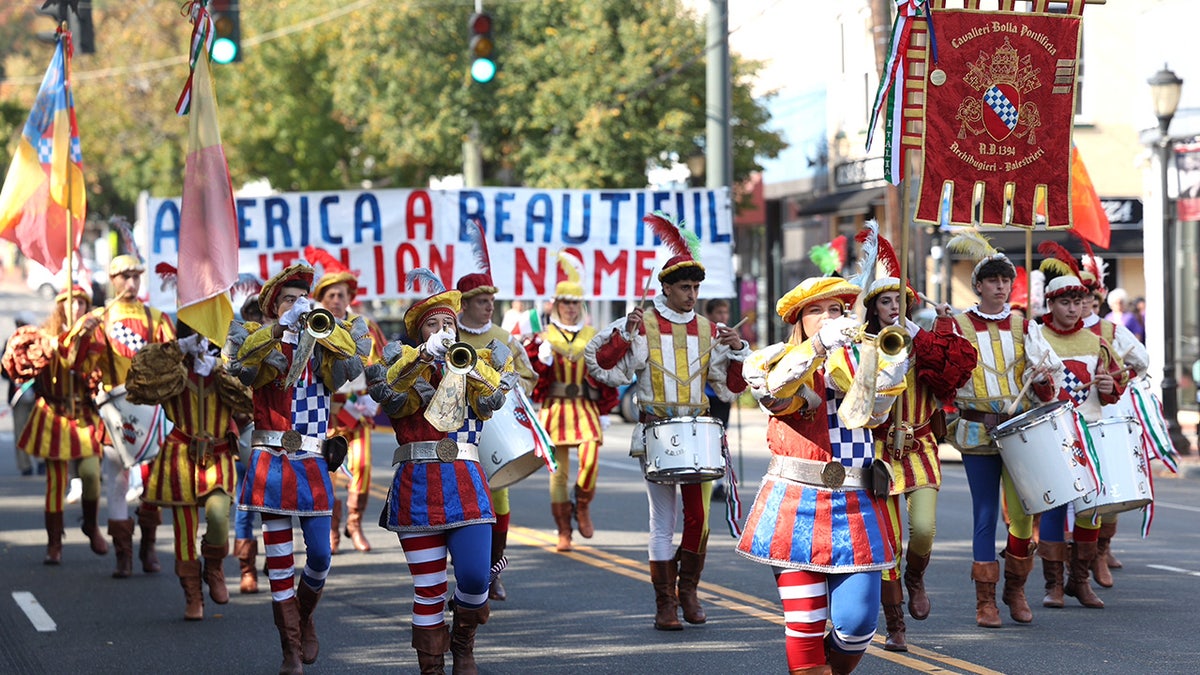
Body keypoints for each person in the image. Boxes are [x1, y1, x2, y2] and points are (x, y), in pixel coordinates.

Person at [587, 212, 750, 631]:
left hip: (697, 433)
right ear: (666, 288)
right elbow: (605, 370)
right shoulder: (644, 323)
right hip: (656, 433)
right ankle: (665, 604)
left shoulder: (709, 328)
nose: (692, 294)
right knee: (663, 520)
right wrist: (624, 335)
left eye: (696, 287)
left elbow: (730, 388)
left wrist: (735, 350)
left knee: (700, 519)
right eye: (685, 287)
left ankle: (688, 590)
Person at [737, 275, 907, 674]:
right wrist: (818, 346)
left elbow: (877, 413)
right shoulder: (769, 359)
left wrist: (885, 369)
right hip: (796, 503)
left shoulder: (862, 359)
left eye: (836, 310)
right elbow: (775, 394)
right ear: (799, 320)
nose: (829, 318)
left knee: (858, 625)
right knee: (805, 624)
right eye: (817, 311)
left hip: (856, 504)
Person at [366, 268, 516, 675]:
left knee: (473, 578)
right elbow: (391, 397)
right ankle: (431, 668)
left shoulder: (472, 364)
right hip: (418, 488)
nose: (443, 329)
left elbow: (495, 398)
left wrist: (463, 365)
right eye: (433, 324)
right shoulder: (400, 364)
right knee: (428, 591)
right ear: (419, 334)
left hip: (466, 484)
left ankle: (463, 644)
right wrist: (421, 357)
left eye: (448, 323)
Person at [225, 263, 368, 673]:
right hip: (272, 461)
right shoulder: (255, 338)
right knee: (282, 562)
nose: (298, 305)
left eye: (302, 299)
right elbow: (241, 368)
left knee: (321, 556)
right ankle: (290, 648)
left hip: (312, 462)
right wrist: (278, 330)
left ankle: (303, 617)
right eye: (289, 299)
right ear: (273, 307)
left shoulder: (324, 342)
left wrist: (322, 326)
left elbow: (352, 369)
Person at [938, 230, 1061, 628]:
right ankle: (985, 602)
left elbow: (1046, 387)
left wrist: (1042, 379)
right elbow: (942, 379)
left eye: (1006, 280)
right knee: (985, 515)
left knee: (1024, 516)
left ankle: (1015, 589)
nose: (1001, 286)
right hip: (977, 432)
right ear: (977, 286)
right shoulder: (957, 325)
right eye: (993, 280)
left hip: (1020, 432)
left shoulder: (1027, 326)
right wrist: (940, 335)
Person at [861, 235, 977, 652]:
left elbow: (956, 373)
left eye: (900, 301)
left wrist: (932, 332)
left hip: (922, 446)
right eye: (886, 302)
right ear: (874, 309)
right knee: (888, 543)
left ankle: (916, 577)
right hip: (878, 454)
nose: (894, 308)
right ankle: (896, 628)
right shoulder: (862, 346)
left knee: (924, 530)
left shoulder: (924, 339)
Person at [126, 326, 252, 620]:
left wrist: (223, 366)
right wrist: (178, 349)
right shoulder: (172, 368)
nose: (202, 338)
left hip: (219, 454)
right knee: (184, 533)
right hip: (180, 456)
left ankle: (215, 566)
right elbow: (138, 379)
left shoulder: (228, 365)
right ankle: (192, 594)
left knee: (219, 516)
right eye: (196, 332)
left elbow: (251, 400)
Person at [1034, 246, 1128, 610]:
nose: (1074, 308)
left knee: (1090, 507)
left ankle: (1080, 581)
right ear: (1050, 303)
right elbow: (1031, 390)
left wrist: (1109, 388)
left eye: (1079, 301)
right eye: (1066, 302)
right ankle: (1054, 585)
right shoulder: (1036, 336)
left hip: (1090, 433)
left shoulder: (1096, 342)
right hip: (1051, 436)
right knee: (1055, 510)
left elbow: (1114, 385)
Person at [77, 255, 176, 578]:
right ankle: (123, 555)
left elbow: (173, 366)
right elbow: (81, 370)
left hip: (151, 415)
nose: (131, 283)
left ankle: (147, 547)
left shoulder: (158, 319)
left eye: (135, 276)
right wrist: (81, 338)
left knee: (152, 485)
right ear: (112, 279)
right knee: (117, 484)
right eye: (124, 277)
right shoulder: (98, 319)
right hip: (114, 417)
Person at [455, 229, 539, 601]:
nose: (489, 306)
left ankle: (493, 569)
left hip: (494, 429)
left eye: (491, 300)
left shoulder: (505, 336)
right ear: (465, 304)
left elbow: (528, 376)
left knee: (497, 500)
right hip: (455, 430)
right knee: (457, 500)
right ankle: (463, 569)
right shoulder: (449, 332)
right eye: (482, 301)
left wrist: (506, 388)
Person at [2, 286, 107, 564]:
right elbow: (18, 366)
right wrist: (50, 347)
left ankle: (91, 524)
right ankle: (54, 542)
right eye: (71, 303)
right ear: (61, 306)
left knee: (91, 475)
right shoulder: (43, 336)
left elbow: (91, 372)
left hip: (83, 416)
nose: (77, 308)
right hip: (52, 416)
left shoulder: (93, 335)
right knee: (55, 484)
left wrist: (85, 342)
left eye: (82, 303)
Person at [529, 252, 612, 553]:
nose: (570, 308)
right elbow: (533, 379)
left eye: (575, 302)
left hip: (585, 409)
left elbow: (604, 374)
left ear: (581, 305)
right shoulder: (544, 336)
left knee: (590, 462)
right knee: (558, 474)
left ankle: (583, 505)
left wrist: (605, 408)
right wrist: (540, 360)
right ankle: (564, 530)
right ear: (556, 304)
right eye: (565, 302)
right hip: (556, 409)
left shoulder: (592, 335)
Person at [1078, 258, 1149, 590]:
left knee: (1109, 486)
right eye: (1078, 297)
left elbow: (1141, 361)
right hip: (1068, 418)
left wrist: (1120, 380)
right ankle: (1069, 561)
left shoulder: (1111, 330)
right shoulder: (1050, 328)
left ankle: (1100, 552)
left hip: (1106, 416)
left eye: (1090, 296)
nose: (1085, 303)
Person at [307, 247, 381, 554]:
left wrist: (375, 397)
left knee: (362, 467)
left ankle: (355, 523)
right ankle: (332, 530)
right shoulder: (314, 325)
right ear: (321, 299)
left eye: (341, 295)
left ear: (349, 297)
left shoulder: (366, 326)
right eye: (330, 296)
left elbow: (378, 368)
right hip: (325, 413)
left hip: (358, 410)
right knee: (328, 472)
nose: (336, 300)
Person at [4, 311, 42, 476]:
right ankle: (24, 465)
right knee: (20, 431)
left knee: (38, 430)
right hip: (18, 395)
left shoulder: (39, 344)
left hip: (36, 394)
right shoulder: (9, 343)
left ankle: (41, 461)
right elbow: (4, 371)